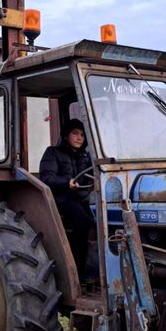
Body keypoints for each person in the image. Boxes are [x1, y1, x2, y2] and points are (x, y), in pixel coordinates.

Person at [38, 118, 94, 280]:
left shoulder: (85, 156)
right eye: (75, 134)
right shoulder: (53, 153)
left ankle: (96, 265)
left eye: (82, 135)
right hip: (60, 198)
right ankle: (78, 270)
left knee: (100, 218)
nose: (79, 138)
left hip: (81, 198)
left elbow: (92, 176)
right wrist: (66, 182)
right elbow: (46, 178)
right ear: (65, 136)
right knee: (82, 221)